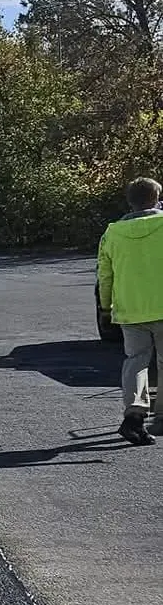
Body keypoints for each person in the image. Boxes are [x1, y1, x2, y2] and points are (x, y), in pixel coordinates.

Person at [97, 176, 163, 447]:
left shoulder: (113, 232)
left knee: (136, 361)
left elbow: (105, 273)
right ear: (157, 198)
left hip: (130, 309)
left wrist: (105, 306)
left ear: (130, 202)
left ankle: (134, 416)